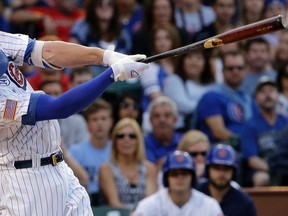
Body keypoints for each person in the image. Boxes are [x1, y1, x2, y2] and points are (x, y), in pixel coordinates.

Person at [0, 30, 149, 215]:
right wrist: (113, 74)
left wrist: (105, 56)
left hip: (59, 166)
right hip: (26, 182)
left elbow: (47, 51)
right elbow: (59, 107)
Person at [134, 150, 224, 216]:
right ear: (166, 178)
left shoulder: (209, 205)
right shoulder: (149, 205)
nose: (180, 177)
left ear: (192, 177)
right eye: (174, 174)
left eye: (184, 173)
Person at [194, 50, 253, 147]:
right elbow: (219, 132)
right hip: (221, 150)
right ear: (222, 71)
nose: (235, 71)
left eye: (240, 68)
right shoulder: (212, 96)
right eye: (230, 68)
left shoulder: (247, 97)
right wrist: (249, 143)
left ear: (245, 71)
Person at [99, 118, 158, 211]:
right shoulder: (106, 169)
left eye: (132, 136)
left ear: (138, 141)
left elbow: (150, 202)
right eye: (121, 136)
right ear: (115, 141)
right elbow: (113, 202)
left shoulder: (149, 168)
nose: (126, 139)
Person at [240, 76, 288, 186]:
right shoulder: (250, 125)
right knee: (261, 178)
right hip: (264, 168)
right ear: (256, 99)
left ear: (278, 96)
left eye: (271, 91)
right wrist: (275, 170)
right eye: (262, 92)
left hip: (285, 166)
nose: (268, 95)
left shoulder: (286, 121)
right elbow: (252, 159)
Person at [197, 144, 257, 216]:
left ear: (234, 172)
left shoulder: (244, 203)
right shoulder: (195, 193)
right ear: (208, 169)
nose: (221, 173)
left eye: (226, 168)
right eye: (216, 168)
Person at [144, 96, 183, 170]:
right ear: (150, 120)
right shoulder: (141, 144)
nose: (162, 120)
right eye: (157, 116)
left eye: (167, 115)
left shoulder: (184, 141)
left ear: (175, 120)